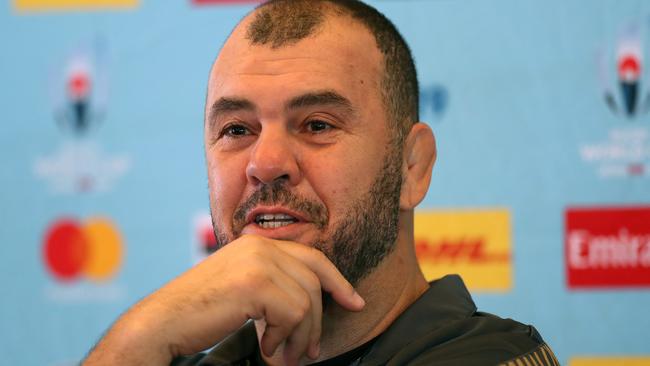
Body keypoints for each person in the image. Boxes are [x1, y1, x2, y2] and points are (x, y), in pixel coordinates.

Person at [84, 1, 558, 365]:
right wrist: (141, 336)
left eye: (317, 125)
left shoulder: (495, 357)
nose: (265, 164)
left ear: (412, 168)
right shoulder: (166, 353)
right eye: (236, 130)